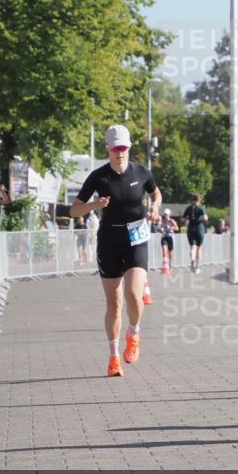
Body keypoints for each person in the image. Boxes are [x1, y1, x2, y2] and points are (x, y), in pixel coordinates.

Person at [70, 124, 162, 377]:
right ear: (107, 149)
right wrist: (95, 204)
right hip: (109, 240)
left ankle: (134, 332)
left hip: (136, 238)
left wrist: (155, 207)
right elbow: (74, 210)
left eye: (123, 148)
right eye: (115, 148)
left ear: (129, 147)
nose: (119, 153)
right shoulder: (98, 177)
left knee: (133, 294)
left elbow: (156, 194)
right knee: (114, 303)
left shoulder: (142, 172)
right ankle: (113, 357)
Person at [183, 194, 209, 272]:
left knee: (193, 247)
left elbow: (185, 218)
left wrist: (187, 221)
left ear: (193, 200)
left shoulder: (188, 208)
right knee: (199, 247)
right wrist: (204, 218)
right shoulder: (201, 208)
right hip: (199, 228)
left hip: (191, 228)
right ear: (199, 200)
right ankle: (197, 266)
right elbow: (205, 218)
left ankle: (192, 259)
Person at [159, 208, 179, 272]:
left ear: (169, 215)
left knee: (170, 252)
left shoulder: (171, 221)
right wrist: (161, 229)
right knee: (164, 249)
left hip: (170, 237)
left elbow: (177, 228)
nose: (166, 215)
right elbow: (160, 228)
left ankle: (170, 264)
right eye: (165, 214)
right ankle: (165, 263)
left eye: (167, 214)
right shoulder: (163, 221)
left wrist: (171, 228)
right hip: (164, 236)